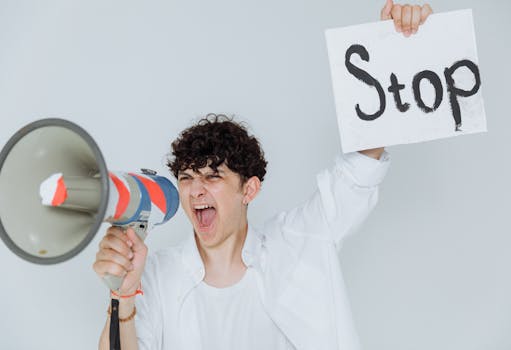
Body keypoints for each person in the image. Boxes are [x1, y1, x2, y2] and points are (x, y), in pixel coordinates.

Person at [93, 1, 433, 349]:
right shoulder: (156, 275)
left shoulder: (301, 241)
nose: (195, 190)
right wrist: (123, 296)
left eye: (212, 177)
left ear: (249, 189)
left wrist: (393, 48)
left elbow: (359, 171)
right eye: (186, 178)